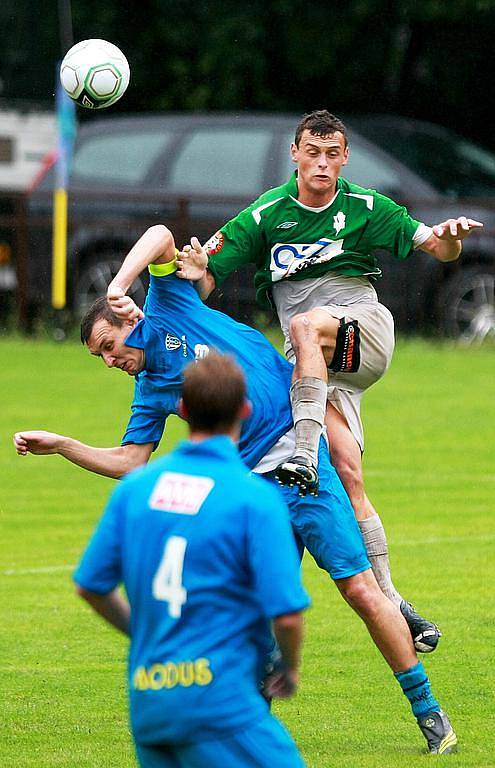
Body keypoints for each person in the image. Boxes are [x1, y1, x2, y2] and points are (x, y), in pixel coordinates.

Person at [14, 225, 457, 754]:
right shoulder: (150, 390)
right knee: (258, 611)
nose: (109, 361)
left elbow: (160, 234)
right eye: (99, 359)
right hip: (253, 492)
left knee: (359, 589)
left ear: (128, 318)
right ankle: (249, 737)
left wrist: (121, 281)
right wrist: (64, 445)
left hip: (301, 456)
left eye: (108, 347)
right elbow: (131, 460)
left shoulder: (167, 303)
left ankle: (430, 714)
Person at [175, 108, 483, 653]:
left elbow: (437, 247)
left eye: (331, 154)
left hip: (358, 334)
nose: (321, 163)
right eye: (311, 152)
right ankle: (395, 603)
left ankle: (302, 453)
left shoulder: (365, 207)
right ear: (295, 154)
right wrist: (197, 267)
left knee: (302, 325)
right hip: (314, 369)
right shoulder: (266, 214)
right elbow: (204, 284)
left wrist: (451, 239)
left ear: (344, 158)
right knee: (348, 472)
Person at [74, 351, 309, 768]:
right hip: (220, 703)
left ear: (181, 410)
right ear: (246, 410)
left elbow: (91, 584)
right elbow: (287, 616)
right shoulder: (252, 497)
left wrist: (142, 630)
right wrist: (288, 669)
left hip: (150, 703)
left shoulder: (136, 488)